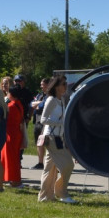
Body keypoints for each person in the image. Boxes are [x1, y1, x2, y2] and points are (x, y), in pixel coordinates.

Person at [37, 74, 75, 203]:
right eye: (63, 84)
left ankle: (45, 196)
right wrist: (61, 124)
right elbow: (43, 119)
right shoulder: (51, 100)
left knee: (50, 169)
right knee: (68, 164)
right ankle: (62, 193)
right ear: (57, 86)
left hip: (58, 137)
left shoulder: (61, 100)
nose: (66, 86)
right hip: (52, 137)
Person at [1, 86, 25, 188]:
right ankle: (13, 179)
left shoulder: (10, 106)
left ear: (11, 94)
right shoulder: (19, 104)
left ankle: (15, 180)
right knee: (14, 158)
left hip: (10, 135)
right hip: (16, 134)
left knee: (11, 159)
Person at [32, 77, 50, 169]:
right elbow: (31, 104)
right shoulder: (40, 95)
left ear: (48, 85)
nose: (41, 86)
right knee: (39, 143)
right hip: (37, 121)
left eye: (42, 84)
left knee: (46, 143)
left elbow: (43, 106)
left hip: (45, 123)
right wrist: (38, 103)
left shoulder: (50, 96)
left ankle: (51, 164)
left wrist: (37, 104)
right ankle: (40, 163)